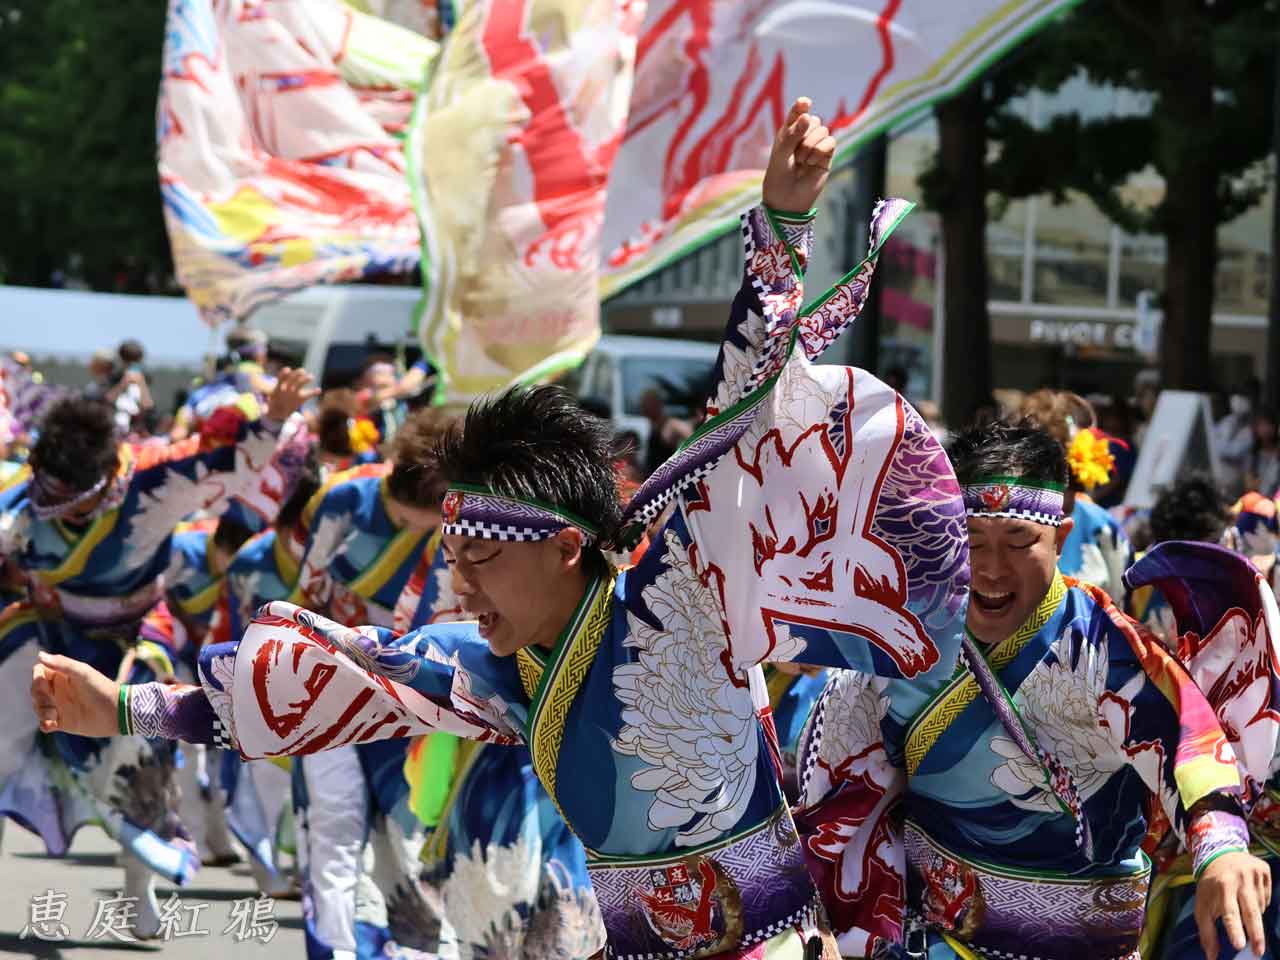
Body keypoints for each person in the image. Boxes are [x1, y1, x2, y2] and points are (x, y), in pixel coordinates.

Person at [32, 98, 975, 957]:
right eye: (455, 561)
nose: (464, 584)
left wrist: (784, 224)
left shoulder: (683, 585)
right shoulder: (493, 665)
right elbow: (319, 688)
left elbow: (742, 406)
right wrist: (120, 709)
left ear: (568, 546)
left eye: (481, 558)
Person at [794, 419, 1268, 959]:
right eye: (971, 543)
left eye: (1019, 543)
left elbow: (1190, 744)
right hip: (938, 943)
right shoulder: (901, 647)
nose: (992, 570)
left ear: (1062, 537)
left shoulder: (1106, 648)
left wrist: (1222, 849)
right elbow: (839, 807)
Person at [0, 369, 315, 935]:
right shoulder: (24, 492)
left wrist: (270, 420)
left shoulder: (154, 480)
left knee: (138, 772)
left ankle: (138, 891)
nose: (58, 511)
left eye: (73, 505)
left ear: (104, 483)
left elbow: (235, 460)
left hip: (133, 639)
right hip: (47, 628)